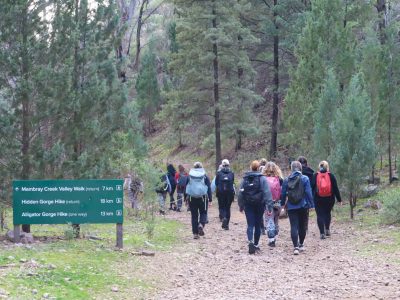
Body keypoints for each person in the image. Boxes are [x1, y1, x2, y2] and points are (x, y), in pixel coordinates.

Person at [238, 160, 273, 254]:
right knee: (257, 225)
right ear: (259, 168)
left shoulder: (245, 178)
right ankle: (256, 245)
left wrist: (241, 205)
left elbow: (240, 193)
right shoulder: (262, 179)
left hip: (248, 205)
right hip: (259, 204)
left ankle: (250, 241)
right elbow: (267, 193)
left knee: (250, 224)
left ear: (251, 167)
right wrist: (269, 206)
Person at [281, 161, 314, 255]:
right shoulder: (305, 178)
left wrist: (282, 204)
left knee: (294, 226)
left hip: (291, 206)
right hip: (303, 206)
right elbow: (308, 192)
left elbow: (283, 194)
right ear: (300, 168)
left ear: (291, 168)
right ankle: (301, 244)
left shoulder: (287, 180)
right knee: (302, 226)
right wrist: (311, 204)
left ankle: (295, 247)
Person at [311, 160, 342, 239]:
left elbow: (311, 187)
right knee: (327, 213)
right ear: (327, 167)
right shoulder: (331, 175)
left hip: (318, 198)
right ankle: (327, 229)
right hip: (329, 198)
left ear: (319, 166)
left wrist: (311, 198)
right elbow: (335, 188)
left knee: (320, 215)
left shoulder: (315, 175)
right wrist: (339, 199)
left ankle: (322, 233)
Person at [186, 162, 212, 239]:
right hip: (203, 198)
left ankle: (195, 234)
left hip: (192, 198)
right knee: (203, 213)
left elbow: (186, 187)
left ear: (194, 167)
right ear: (201, 167)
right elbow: (209, 188)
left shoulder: (190, 176)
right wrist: (210, 199)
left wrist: (185, 198)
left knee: (194, 216)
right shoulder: (205, 176)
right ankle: (201, 224)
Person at [263, 162, 283, 247]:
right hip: (277, 202)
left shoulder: (263, 179)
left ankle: (271, 240)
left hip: (268, 202)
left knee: (269, 219)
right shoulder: (280, 179)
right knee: (276, 220)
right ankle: (275, 234)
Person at [215, 159, 235, 230]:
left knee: (221, 206)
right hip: (229, 193)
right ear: (229, 165)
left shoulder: (219, 173)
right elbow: (232, 182)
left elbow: (216, 183)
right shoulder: (232, 173)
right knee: (228, 207)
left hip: (220, 192)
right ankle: (226, 224)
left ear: (222, 165)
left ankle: (223, 218)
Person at [297, 156, 314, 232]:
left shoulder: (296, 173)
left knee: (297, 211)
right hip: (307, 194)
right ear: (306, 163)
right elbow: (312, 184)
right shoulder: (311, 172)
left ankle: (298, 226)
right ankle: (305, 227)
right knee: (306, 212)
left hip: (297, 194)